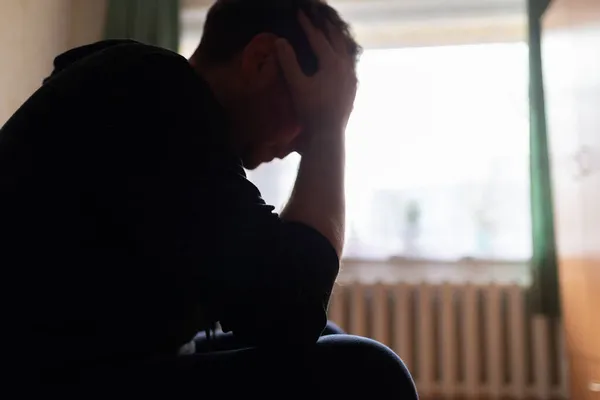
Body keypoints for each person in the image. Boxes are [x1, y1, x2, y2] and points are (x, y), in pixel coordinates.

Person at [0, 0, 417, 397]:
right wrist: (329, 130)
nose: (300, 145)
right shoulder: (151, 93)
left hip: (97, 360)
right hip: (41, 381)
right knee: (370, 374)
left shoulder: (148, 95)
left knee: (331, 340)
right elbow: (292, 307)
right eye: (310, 106)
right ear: (261, 60)